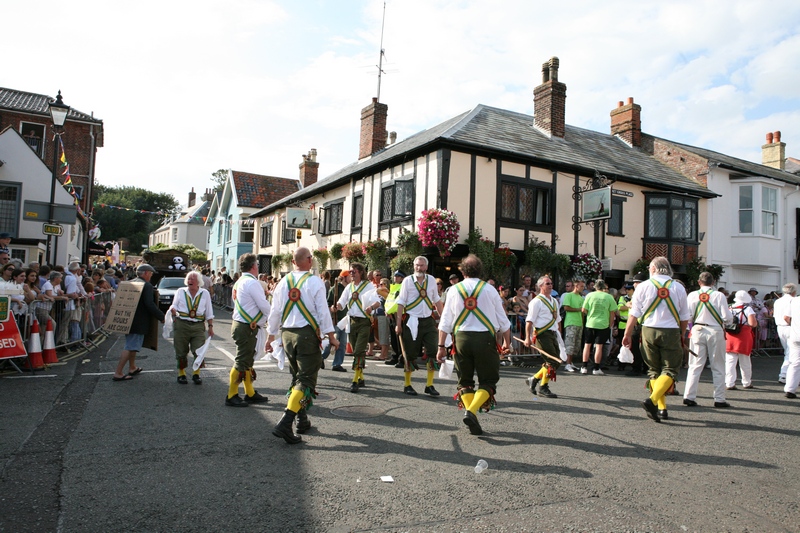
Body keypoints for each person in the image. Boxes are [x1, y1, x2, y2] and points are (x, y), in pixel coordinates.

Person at [267, 247, 339, 444]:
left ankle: (302, 419)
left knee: (296, 377)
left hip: (287, 335)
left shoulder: (282, 282)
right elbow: (323, 311)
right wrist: (331, 336)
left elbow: (274, 311)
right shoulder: (314, 281)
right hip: (306, 335)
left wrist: (269, 336)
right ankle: (286, 421)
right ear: (308, 260)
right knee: (305, 380)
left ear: (292, 262)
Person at [437, 254, 511, 435]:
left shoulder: (453, 290)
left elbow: (445, 321)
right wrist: (508, 343)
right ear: (480, 271)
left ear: (462, 272)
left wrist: (440, 347)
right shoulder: (490, 290)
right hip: (485, 339)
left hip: (461, 339)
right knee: (488, 380)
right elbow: (504, 321)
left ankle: (472, 416)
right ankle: (471, 412)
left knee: (465, 381)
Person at [622, 257, 690, 423]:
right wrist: (681, 334)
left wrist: (627, 334)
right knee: (670, 369)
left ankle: (661, 408)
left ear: (653, 269)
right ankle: (653, 402)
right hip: (671, 330)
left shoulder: (643, 286)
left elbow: (634, 314)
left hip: (648, 330)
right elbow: (684, 317)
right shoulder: (678, 287)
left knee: (654, 369)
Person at [682, 272, 734, 410]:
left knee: (695, 365)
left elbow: (687, 316)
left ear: (699, 282)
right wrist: (727, 322)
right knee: (718, 365)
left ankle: (689, 396)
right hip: (715, 330)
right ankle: (719, 399)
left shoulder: (692, 295)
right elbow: (727, 317)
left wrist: (691, 326)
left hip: (698, 329)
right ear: (713, 282)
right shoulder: (719, 295)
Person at [226, 253, 271, 407]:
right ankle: (231, 394)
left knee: (247, 361)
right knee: (242, 361)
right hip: (246, 327)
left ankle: (249, 392)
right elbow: (264, 305)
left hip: (243, 325)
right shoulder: (252, 283)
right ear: (253, 266)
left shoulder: (240, 282)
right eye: (257, 265)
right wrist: (275, 317)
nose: (257, 267)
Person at [395, 256, 444, 396]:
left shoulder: (431, 281)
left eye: (422, 265)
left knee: (432, 351)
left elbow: (436, 300)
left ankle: (429, 385)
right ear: (413, 266)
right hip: (411, 320)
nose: (419, 268)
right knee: (410, 353)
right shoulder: (407, 281)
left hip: (428, 320)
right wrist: (398, 324)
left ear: (426, 267)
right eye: (417, 265)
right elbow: (401, 302)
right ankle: (407, 384)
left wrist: (444, 320)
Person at [112, 264, 165, 381]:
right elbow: (149, 304)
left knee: (132, 345)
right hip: (139, 321)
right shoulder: (146, 285)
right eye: (150, 273)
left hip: (128, 319)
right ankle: (118, 372)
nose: (151, 276)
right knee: (130, 346)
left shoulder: (130, 282)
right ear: (146, 273)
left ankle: (132, 367)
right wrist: (161, 316)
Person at [335, 262, 379, 393]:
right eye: (350, 272)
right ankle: (361, 377)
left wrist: (371, 307)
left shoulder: (368, 286)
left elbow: (377, 302)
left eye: (353, 272)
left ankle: (354, 381)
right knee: (355, 351)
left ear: (360, 272)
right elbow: (342, 303)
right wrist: (336, 306)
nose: (351, 274)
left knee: (359, 351)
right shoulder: (349, 287)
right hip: (352, 322)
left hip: (364, 322)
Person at [169, 271, 214, 385]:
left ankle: (196, 374)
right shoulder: (180, 291)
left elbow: (209, 311)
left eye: (193, 279)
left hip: (198, 325)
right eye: (189, 279)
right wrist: (173, 309)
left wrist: (210, 326)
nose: (190, 281)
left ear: (198, 282)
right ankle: (181, 374)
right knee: (181, 350)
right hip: (181, 324)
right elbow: (174, 304)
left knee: (199, 350)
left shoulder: (205, 293)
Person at [524, 275, 561, 398]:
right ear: (540, 286)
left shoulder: (554, 301)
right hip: (541, 334)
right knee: (552, 361)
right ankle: (543, 387)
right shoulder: (536, 302)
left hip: (552, 333)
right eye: (547, 283)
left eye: (551, 283)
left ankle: (533, 379)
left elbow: (558, 320)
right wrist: (527, 338)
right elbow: (529, 321)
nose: (550, 285)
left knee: (555, 361)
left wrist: (559, 335)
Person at [580, 279, 618, 375]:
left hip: (591, 323)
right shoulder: (609, 297)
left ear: (595, 287)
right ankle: (596, 368)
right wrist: (610, 324)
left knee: (587, 345)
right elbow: (612, 312)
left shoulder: (589, 295)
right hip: (603, 324)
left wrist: (590, 314)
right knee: (599, 346)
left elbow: (584, 309)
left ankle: (584, 366)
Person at [724, 290, 757, 390]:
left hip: (730, 334)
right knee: (745, 361)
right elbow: (752, 324)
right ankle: (746, 382)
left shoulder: (729, 307)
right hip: (744, 335)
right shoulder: (748, 309)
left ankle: (729, 383)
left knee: (730, 360)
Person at [323, 271, 349, 372]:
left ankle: (337, 364)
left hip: (345, 319)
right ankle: (321, 358)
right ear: (344, 277)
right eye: (349, 276)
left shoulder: (350, 288)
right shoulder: (335, 289)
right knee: (332, 341)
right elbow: (328, 303)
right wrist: (332, 308)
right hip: (336, 319)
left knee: (342, 343)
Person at [560, 279, 585, 373]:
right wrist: (578, 309)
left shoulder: (581, 297)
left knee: (576, 345)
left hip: (579, 323)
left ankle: (571, 362)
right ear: (576, 286)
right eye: (581, 286)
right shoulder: (569, 295)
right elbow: (566, 307)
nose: (583, 288)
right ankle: (567, 363)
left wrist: (582, 322)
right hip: (571, 322)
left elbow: (583, 312)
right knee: (570, 344)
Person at [774, 283, 796, 384]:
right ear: (793, 291)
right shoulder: (793, 300)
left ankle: (786, 374)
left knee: (788, 351)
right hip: (789, 326)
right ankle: (784, 374)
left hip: (780, 327)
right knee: (790, 352)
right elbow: (787, 317)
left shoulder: (778, 301)